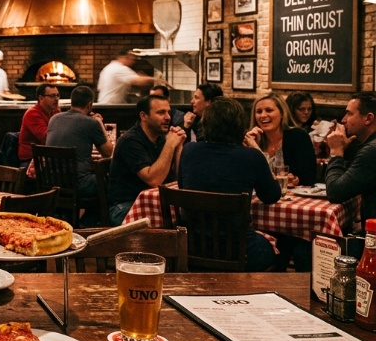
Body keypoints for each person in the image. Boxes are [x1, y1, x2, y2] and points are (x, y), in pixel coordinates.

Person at [178, 97, 282, 271]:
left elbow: (183, 187)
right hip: (240, 251)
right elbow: (272, 195)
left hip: (192, 248)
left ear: (207, 124)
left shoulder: (189, 150)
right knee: (281, 245)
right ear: (240, 126)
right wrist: (255, 149)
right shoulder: (251, 157)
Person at [107, 94, 186, 225]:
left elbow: (177, 178)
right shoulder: (130, 141)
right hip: (125, 208)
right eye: (161, 113)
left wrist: (178, 147)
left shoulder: (160, 138)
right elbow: (154, 180)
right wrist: (170, 144)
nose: (168, 117)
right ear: (144, 116)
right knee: (179, 221)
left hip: (154, 203)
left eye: (168, 112)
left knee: (188, 218)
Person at [45, 85, 114, 199]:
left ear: (72, 102)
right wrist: (100, 123)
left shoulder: (54, 118)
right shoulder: (91, 123)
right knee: (112, 180)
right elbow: (108, 153)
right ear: (89, 105)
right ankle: (96, 216)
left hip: (50, 181)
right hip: (77, 183)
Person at [243, 93, 316, 187]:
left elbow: (309, 177)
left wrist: (296, 180)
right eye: (259, 111)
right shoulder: (251, 139)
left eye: (269, 110)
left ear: (282, 113)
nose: (263, 115)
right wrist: (253, 148)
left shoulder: (298, 136)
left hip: (292, 198)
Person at [326, 92, 376, 224]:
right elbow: (351, 176)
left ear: (368, 118)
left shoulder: (371, 150)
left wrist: (336, 152)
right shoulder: (368, 145)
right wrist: (344, 149)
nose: (343, 119)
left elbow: (335, 192)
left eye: (349, 113)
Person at [96, 49, 162, 104]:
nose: (132, 62)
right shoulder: (120, 69)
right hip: (110, 107)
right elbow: (140, 81)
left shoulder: (108, 68)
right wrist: (157, 79)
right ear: (123, 57)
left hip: (103, 104)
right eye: (131, 59)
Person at [17, 83, 60, 161]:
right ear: (41, 98)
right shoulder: (32, 113)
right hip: (31, 158)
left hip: (47, 155)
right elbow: (46, 138)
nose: (56, 99)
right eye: (52, 96)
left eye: (57, 95)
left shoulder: (55, 111)